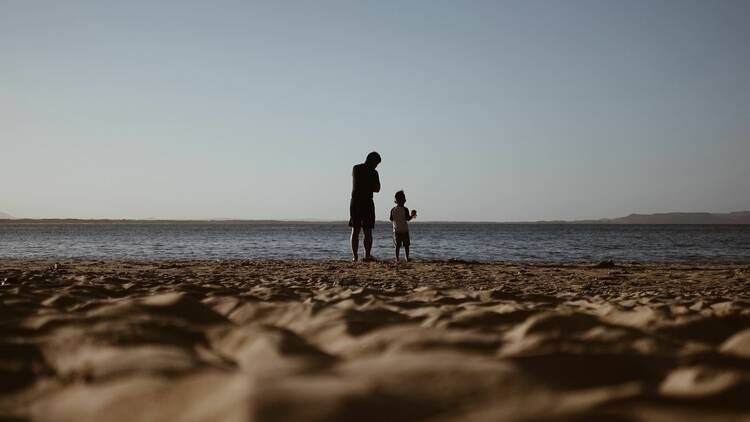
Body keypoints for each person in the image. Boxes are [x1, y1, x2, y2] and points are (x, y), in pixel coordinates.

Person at [349, 151, 381, 261]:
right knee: (362, 230)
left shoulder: (357, 169)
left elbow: (376, 189)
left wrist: (369, 185)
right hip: (363, 201)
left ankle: (358, 256)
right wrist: (370, 185)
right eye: (376, 163)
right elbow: (375, 188)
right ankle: (362, 255)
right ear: (371, 160)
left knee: (359, 230)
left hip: (359, 201)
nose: (376, 166)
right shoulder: (367, 171)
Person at [390, 190, 417, 262]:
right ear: (404, 200)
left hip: (396, 230)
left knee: (397, 246)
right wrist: (412, 215)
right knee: (406, 246)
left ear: (395, 200)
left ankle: (397, 258)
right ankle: (407, 258)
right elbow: (408, 219)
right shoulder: (405, 209)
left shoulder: (393, 210)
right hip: (404, 230)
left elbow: (391, 219)